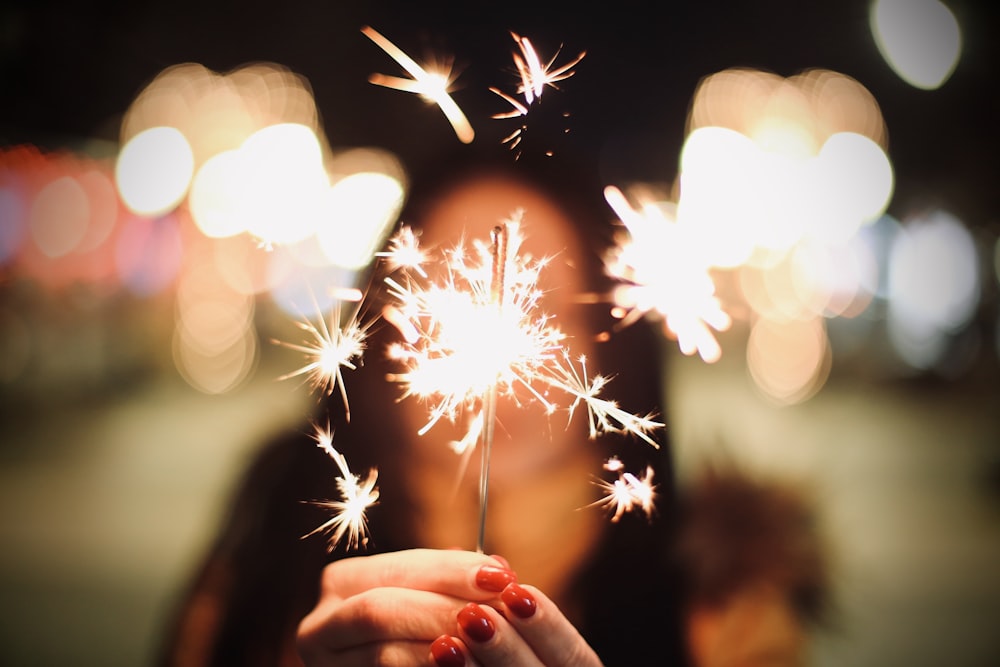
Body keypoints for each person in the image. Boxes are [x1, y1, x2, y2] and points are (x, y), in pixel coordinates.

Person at [157, 156, 689, 667]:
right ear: (387, 326)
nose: (498, 386)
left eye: (542, 308)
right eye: (444, 304)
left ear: (610, 343)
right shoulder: (278, 536)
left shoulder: (712, 589)